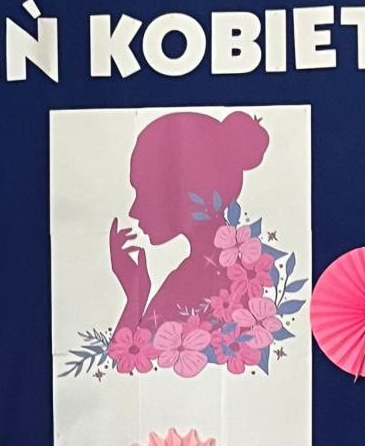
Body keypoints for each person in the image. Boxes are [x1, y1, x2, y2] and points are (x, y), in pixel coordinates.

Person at [109, 110, 271, 333]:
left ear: (183, 194)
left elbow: (128, 355)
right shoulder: (232, 270)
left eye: (144, 192)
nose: (134, 211)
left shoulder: (193, 283)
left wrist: (135, 298)